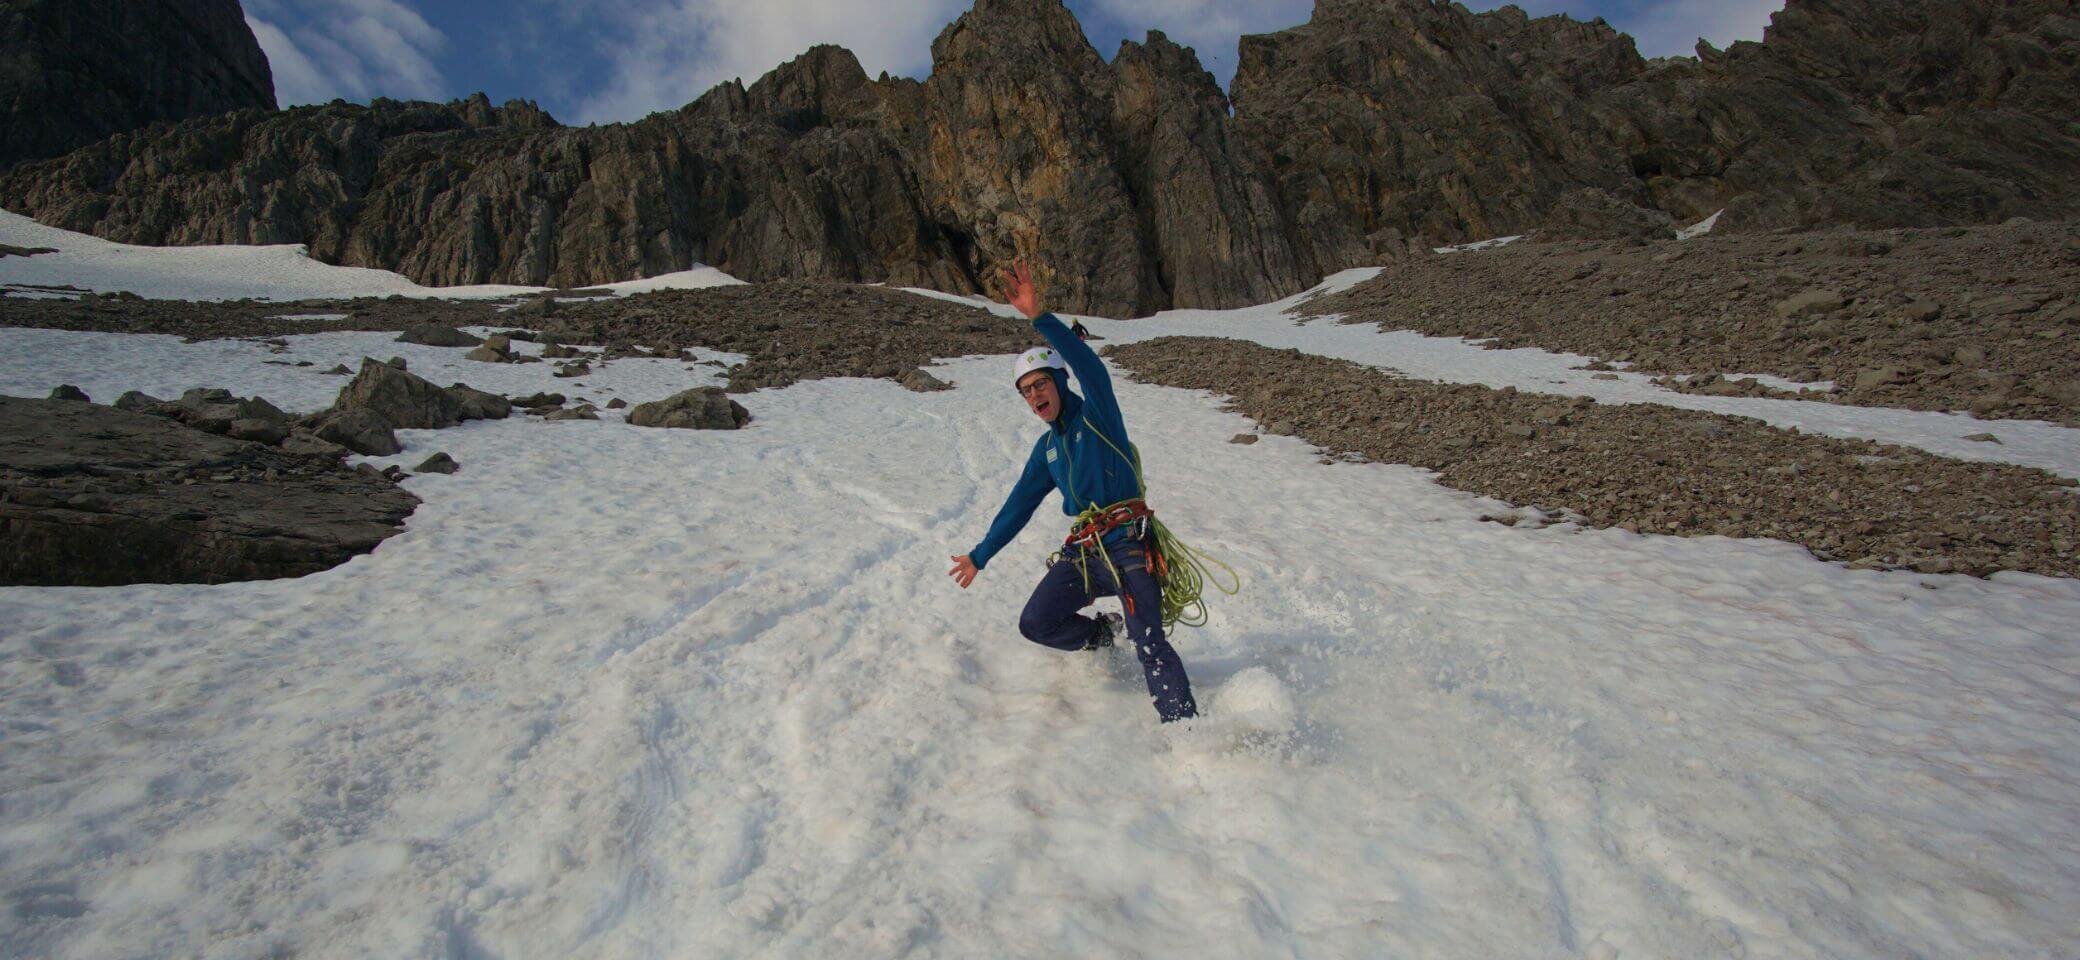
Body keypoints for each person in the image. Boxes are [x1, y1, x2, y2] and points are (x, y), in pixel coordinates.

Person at [948, 261, 1198, 722]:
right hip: (1085, 552)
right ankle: (1102, 635)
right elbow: (1018, 505)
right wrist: (979, 555)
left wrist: (1040, 318)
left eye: (1041, 383)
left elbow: (1092, 369)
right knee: (1036, 622)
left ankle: (1184, 729)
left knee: (1149, 642)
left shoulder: (1098, 418)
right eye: (1025, 391)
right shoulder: (1048, 450)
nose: (1034, 396)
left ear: (1059, 382)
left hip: (1128, 546)